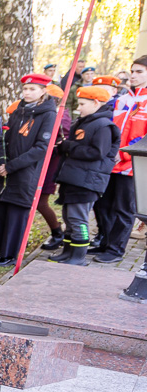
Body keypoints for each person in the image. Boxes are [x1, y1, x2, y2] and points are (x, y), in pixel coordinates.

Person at [0, 73, 56, 266]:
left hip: (25, 172)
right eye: (25, 88)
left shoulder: (48, 114)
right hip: (4, 170)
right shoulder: (18, 111)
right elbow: (3, 138)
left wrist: (11, 166)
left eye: (32, 89)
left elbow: (41, 148)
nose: (28, 92)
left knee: (16, 213)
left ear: (43, 91)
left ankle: (9, 254)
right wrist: (0, 161)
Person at [49, 86, 121, 266]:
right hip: (73, 177)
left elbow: (97, 152)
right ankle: (68, 251)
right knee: (68, 216)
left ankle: (79, 255)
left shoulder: (103, 125)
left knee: (78, 217)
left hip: (87, 180)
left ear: (96, 103)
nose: (78, 107)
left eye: (82, 104)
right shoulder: (84, 122)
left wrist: (68, 147)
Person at [91, 56, 147, 263]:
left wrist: (122, 153)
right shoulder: (123, 100)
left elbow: (143, 138)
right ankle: (104, 242)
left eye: (140, 71)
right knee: (104, 205)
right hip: (110, 162)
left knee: (124, 208)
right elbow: (112, 130)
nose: (133, 75)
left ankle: (115, 250)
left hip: (133, 165)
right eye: (132, 71)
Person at [36, 84, 72, 251]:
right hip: (39, 161)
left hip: (52, 162)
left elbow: (60, 138)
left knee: (41, 201)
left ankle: (57, 232)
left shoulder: (60, 115)